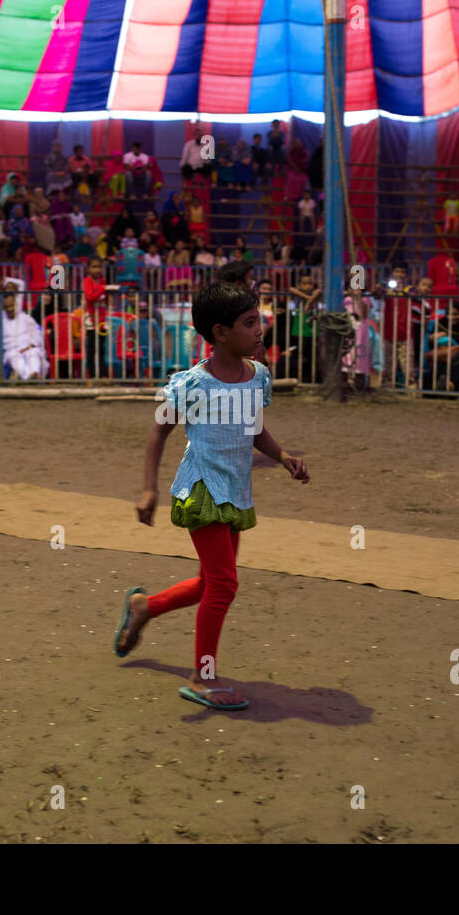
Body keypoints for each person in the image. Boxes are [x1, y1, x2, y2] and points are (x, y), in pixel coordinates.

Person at [119, 279, 310, 710]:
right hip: (202, 489)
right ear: (220, 333)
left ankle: (144, 607)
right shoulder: (191, 385)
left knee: (210, 582)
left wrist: (283, 456)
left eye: (258, 319)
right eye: (249, 322)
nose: (259, 328)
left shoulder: (258, 377)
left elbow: (255, 429)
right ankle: (202, 676)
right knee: (224, 584)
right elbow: (157, 434)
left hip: (236, 493)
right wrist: (149, 488)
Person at [0, 290, 49, 380]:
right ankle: (30, 377)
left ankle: (34, 374)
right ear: (3, 307)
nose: (10, 309)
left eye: (12, 306)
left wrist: (31, 345)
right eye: (7, 307)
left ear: (16, 304)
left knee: (33, 353)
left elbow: (37, 333)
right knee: (15, 358)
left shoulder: (26, 318)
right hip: (12, 350)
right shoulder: (0, 320)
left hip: (29, 347)